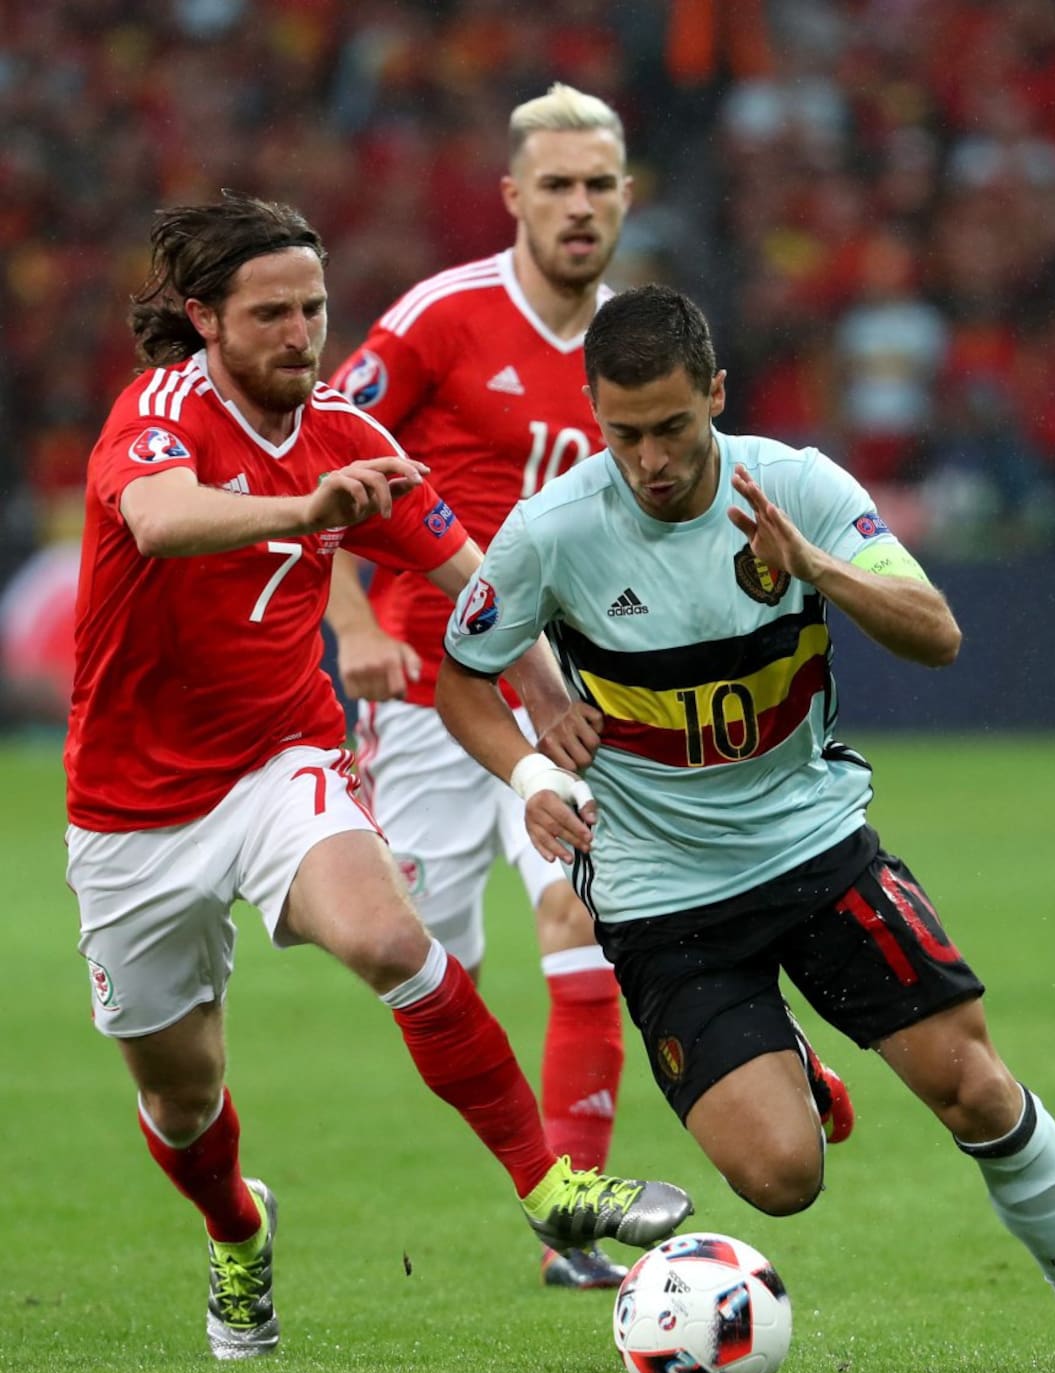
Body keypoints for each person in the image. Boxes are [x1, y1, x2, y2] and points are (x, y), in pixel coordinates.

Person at [435, 283, 1055, 1373]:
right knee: (781, 1177)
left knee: (974, 1084)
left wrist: (819, 568)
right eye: (624, 432)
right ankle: (785, 1051)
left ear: (718, 397)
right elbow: (462, 674)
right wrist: (526, 767)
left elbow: (937, 634)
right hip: (663, 895)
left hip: (815, 849)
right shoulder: (552, 533)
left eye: (674, 428)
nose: (649, 458)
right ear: (596, 416)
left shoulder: (795, 486)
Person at [64, 195, 692, 1363]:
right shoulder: (157, 415)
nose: (301, 332)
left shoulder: (350, 436)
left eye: (312, 307)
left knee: (393, 942)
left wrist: (545, 687)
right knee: (184, 1100)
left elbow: (472, 577)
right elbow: (156, 520)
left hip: (279, 760)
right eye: (271, 313)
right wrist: (300, 512)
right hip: (132, 811)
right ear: (203, 318)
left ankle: (552, 1191)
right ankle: (237, 1227)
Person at [327, 83, 854, 1290]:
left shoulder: (640, 343)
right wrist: (351, 617)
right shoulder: (435, 320)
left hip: (560, 685)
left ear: (627, 197)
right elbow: (324, 454)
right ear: (513, 196)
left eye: (598, 186)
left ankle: (576, 1218)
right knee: (411, 954)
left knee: (585, 913)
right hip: (423, 684)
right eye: (555, 185)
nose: (578, 206)